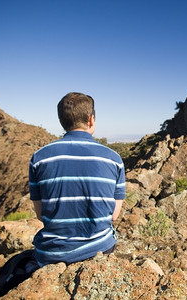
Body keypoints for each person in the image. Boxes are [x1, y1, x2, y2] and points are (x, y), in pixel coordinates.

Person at [29, 92, 125, 267]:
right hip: (99, 250)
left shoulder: (39, 158)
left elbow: (41, 215)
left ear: (62, 121)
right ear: (91, 119)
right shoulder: (113, 158)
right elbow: (114, 215)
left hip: (52, 256)